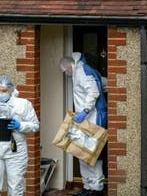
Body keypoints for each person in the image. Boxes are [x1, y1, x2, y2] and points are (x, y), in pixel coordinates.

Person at [0, 75, 40, 196]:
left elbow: (35, 125)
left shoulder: (23, 104)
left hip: (16, 150)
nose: (0, 93)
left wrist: (20, 126)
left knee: (15, 187)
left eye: (4, 91)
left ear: (11, 90)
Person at [59, 53, 107, 196]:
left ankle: (96, 188)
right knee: (81, 153)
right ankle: (88, 186)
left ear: (70, 66)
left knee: (93, 154)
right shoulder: (79, 72)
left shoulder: (83, 71)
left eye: (66, 71)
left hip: (93, 118)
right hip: (84, 119)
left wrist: (85, 110)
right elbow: (103, 83)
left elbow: (94, 91)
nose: (66, 74)